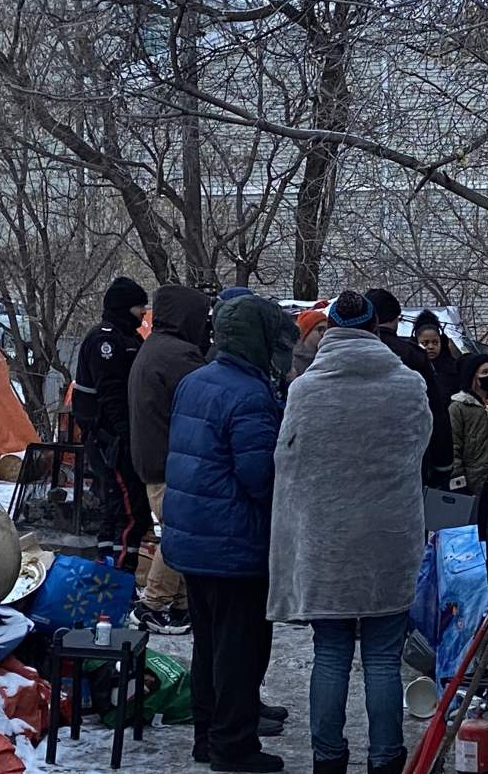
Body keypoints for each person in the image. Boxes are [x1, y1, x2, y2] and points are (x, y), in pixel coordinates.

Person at [268, 291, 431, 774]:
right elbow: (421, 444)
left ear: (332, 330)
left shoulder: (306, 390)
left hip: (327, 542)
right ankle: (385, 759)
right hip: (390, 539)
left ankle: (328, 758)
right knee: (382, 658)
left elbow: (288, 458)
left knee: (331, 654)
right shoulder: (409, 385)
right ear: (376, 328)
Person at [162, 294, 297, 773]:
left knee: (209, 647)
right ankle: (234, 746)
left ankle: (207, 737)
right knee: (240, 651)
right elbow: (260, 476)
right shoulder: (251, 395)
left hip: (193, 538)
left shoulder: (196, 380)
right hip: (234, 544)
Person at [127, 284, 210, 635]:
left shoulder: (155, 347)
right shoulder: (178, 356)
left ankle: (178, 604)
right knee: (179, 533)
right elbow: (204, 401)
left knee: (178, 529)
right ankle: (153, 604)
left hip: (154, 460)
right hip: (172, 461)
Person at [73, 277, 152, 573]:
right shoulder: (105, 340)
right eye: (138, 306)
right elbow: (112, 393)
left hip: (119, 438)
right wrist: (124, 434)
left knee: (119, 508)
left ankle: (107, 572)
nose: (143, 312)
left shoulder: (129, 338)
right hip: (110, 440)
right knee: (129, 510)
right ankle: (120, 573)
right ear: (123, 306)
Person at [364, 288, 453, 487]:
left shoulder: (343, 355)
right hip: (409, 461)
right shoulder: (412, 356)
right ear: (396, 318)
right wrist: (443, 465)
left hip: (358, 463)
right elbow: (435, 413)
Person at [449, 353, 488, 495]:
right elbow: (454, 444)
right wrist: (458, 476)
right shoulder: (458, 407)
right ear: (473, 376)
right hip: (473, 475)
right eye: (484, 372)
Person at [412, 309, 460, 398]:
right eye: (425, 343)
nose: (431, 347)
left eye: (435, 342)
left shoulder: (455, 368)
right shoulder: (409, 369)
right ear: (416, 343)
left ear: (441, 342)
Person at [289, 309, 328, 380]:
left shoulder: (328, 357)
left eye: (326, 330)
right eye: (319, 329)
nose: (323, 333)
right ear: (305, 332)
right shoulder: (291, 361)